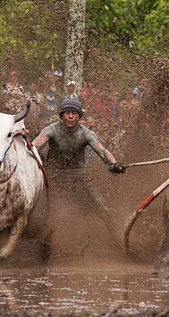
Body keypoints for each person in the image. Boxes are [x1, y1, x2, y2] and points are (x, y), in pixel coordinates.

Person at [32, 98, 125, 234]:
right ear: (61, 115)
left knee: (103, 208)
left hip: (79, 178)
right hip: (53, 180)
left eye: (74, 113)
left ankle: (120, 237)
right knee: (44, 216)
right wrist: (24, 143)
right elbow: (34, 148)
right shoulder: (51, 130)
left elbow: (103, 151)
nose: (70, 116)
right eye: (67, 113)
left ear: (79, 117)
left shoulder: (86, 133)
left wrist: (114, 164)